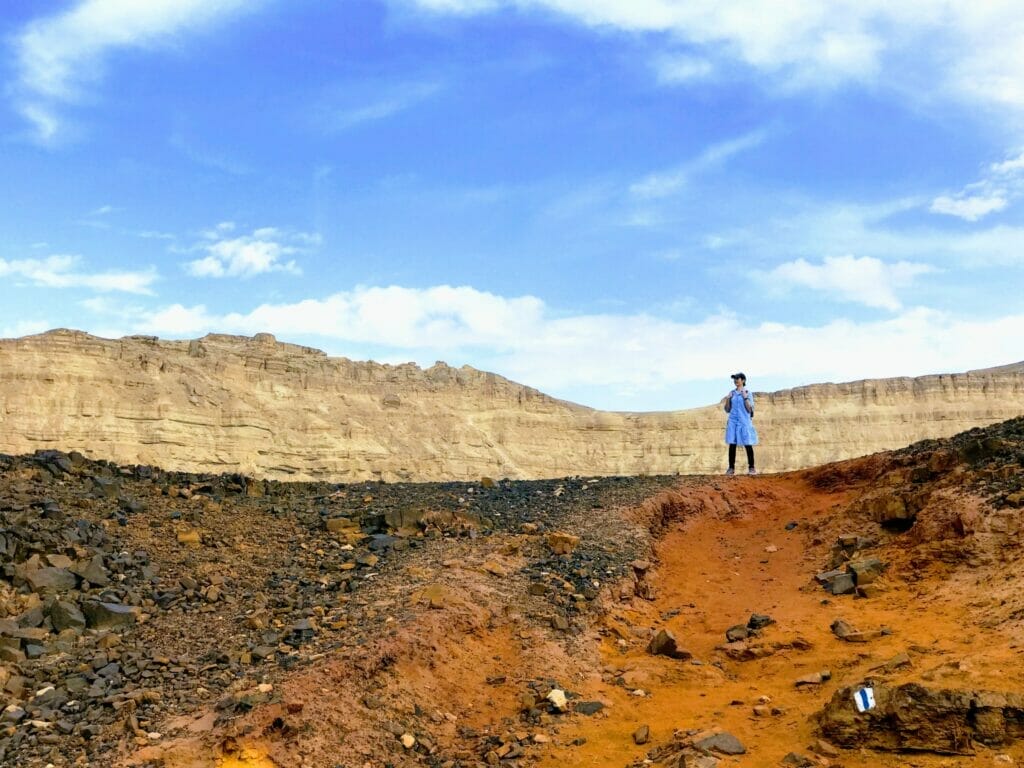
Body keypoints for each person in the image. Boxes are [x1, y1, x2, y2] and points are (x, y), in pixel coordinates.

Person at [721, 372, 758, 475]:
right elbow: (727, 409)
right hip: (733, 421)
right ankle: (731, 468)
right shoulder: (732, 393)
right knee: (732, 444)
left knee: (747, 443)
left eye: (738, 379)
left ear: (743, 380)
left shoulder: (747, 392)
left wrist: (745, 397)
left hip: (744, 421)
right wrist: (728, 399)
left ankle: (751, 468)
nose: (736, 381)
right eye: (734, 379)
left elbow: (750, 409)